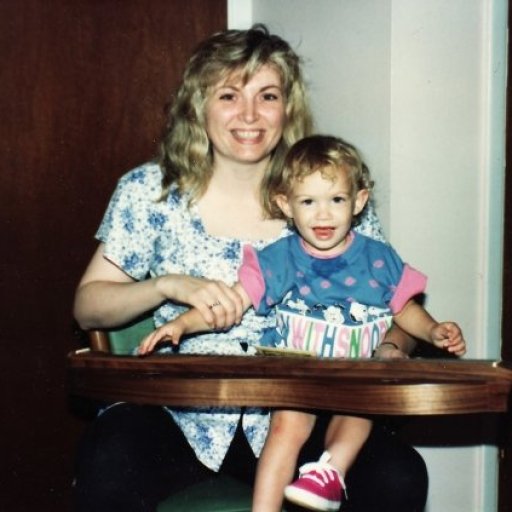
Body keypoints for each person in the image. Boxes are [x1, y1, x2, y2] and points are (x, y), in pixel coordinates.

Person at [73, 24, 429, 512]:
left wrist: (392, 347)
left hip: (304, 409)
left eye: (267, 95)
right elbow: (89, 307)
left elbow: (395, 305)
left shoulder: (329, 190)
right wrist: (165, 286)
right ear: (199, 105)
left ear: (288, 108)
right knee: (108, 455)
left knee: (398, 473)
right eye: (228, 95)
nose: (249, 115)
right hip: (178, 414)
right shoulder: (148, 191)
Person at [137, 135, 466, 511]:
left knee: (358, 417)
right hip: (296, 372)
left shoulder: (377, 258)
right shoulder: (282, 257)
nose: (322, 215)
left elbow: (404, 310)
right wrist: (183, 324)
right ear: (286, 205)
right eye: (308, 202)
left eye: (336, 200)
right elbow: (233, 301)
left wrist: (434, 330)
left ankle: (329, 473)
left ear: (358, 201)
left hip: (357, 374)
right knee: (284, 431)